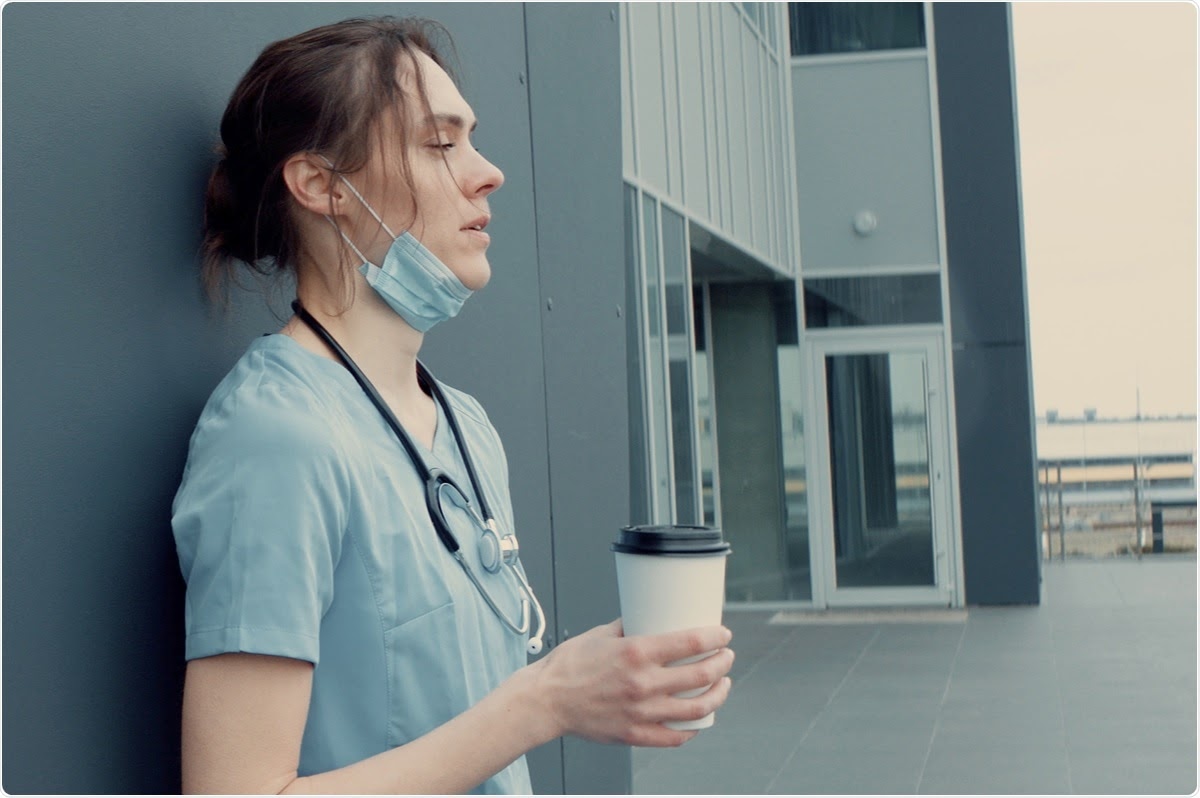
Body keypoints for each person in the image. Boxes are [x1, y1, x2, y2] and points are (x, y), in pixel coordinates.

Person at [172, 16, 734, 795]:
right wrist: (545, 700)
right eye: (441, 144)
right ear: (322, 185)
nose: (488, 172)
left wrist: (614, 677)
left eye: (471, 139)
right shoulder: (275, 438)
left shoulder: (464, 426)